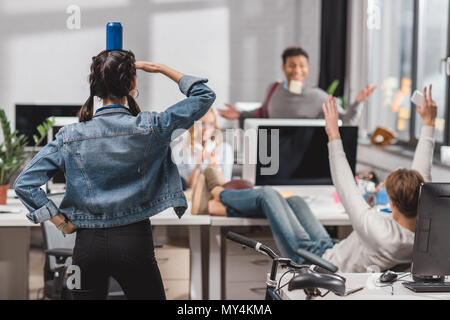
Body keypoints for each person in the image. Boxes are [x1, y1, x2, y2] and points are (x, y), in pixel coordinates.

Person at [14, 50, 215, 299]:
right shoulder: (153, 126)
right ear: (132, 84)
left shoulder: (70, 136)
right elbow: (204, 95)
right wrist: (160, 68)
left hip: (87, 248)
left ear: (96, 88)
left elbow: (25, 183)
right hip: (134, 243)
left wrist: (61, 223)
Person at [193, 84, 436, 272]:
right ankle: (217, 208)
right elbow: (423, 176)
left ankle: (217, 192)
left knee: (268, 194)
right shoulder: (424, 231)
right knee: (296, 201)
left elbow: (345, 185)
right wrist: (428, 123)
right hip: (330, 250)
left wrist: (332, 134)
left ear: (393, 204)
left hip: (316, 262)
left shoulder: (379, 230)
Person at [219, 46, 377, 127]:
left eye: (302, 65)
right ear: (283, 67)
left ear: (308, 68)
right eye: (291, 65)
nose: (297, 70)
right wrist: (240, 114)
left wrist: (358, 101)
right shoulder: (274, 89)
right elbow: (263, 112)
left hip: (303, 160)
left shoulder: (318, 96)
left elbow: (347, 121)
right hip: (273, 153)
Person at [174, 108, 234, 189]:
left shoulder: (225, 149)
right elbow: (188, 188)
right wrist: (197, 166)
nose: (207, 128)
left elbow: (225, 187)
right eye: (202, 124)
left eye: (211, 124)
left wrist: (215, 164)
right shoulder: (182, 151)